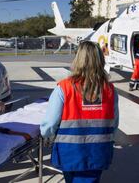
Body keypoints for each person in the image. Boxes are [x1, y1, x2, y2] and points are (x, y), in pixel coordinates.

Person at [40, 41, 119, 183]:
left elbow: (50, 123)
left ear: (78, 59)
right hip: (98, 150)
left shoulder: (64, 87)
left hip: (69, 151)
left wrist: (46, 135)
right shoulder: (110, 89)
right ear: (100, 59)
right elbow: (114, 122)